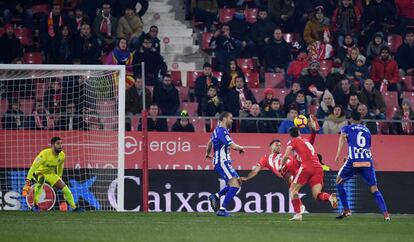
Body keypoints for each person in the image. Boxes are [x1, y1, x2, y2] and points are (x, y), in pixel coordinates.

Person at [334, 111, 390, 221]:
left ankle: (347, 210)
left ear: (350, 120)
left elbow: (341, 139)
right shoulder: (367, 131)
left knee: (338, 181)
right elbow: (366, 146)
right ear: (361, 120)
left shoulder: (347, 128)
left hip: (353, 161)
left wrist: (338, 155)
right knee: (374, 188)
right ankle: (386, 215)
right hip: (367, 161)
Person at [280, 126, 338, 221]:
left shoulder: (292, 141)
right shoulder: (305, 141)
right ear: (299, 132)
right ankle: (329, 197)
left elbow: (286, 156)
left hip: (307, 167)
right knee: (317, 195)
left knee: (292, 190)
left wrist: (281, 166)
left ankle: (298, 214)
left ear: (290, 135)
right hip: (318, 168)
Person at [22, 137, 82, 212]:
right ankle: (35, 205)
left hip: (50, 174)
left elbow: (60, 167)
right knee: (41, 179)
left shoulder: (62, 155)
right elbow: (33, 167)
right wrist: (28, 181)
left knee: (65, 188)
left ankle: (74, 208)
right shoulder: (44, 154)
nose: (60, 145)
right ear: (52, 145)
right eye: (58, 143)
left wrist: (60, 177)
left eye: (61, 143)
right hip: (39, 172)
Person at [205, 111, 245, 217]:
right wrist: (240, 148)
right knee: (235, 184)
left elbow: (210, 142)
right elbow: (232, 145)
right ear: (224, 119)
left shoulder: (216, 131)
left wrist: (207, 153)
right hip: (222, 162)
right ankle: (222, 210)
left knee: (237, 182)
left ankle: (216, 196)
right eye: (230, 118)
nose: (232, 120)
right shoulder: (222, 131)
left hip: (222, 162)